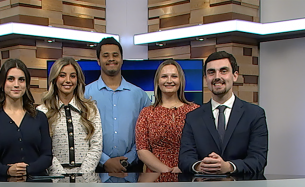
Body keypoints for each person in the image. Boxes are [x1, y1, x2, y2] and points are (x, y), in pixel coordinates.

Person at [179, 51, 268, 175]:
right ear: (205, 79)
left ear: (235, 75)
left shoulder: (255, 114)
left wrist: (228, 167)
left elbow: (258, 159)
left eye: (223, 71)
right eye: (211, 72)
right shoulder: (193, 117)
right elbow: (184, 159)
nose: (217, 77)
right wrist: (201, 166)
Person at [85, 37, 151, 173]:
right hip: (95, 168)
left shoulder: (139, 95)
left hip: (133, 168)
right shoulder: (85, 95)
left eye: (115, 55)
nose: (111, 59)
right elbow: (81, 133)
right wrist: (104, 161)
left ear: (122, 59)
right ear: (98, 60)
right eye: (105, 55)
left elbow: (147, 133)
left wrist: (129, 159)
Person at [0, 59, 52, 179]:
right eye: (11, 79)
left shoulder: (39, 117)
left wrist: (27, 169)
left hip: (37, 186)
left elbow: (47, 156)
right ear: (2, 83)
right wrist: (8, 170)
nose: (16, 84)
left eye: (21, 80)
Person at [37, 57, 102, 177]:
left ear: (78, 80)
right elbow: (43, 150)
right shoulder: (42, 111)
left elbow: (96, 145)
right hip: (55, 179)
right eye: (62, 75)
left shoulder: (90, 109)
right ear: (54, 79)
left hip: (87, 180)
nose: (68, 80)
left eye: (72, 76)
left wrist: (83, 175)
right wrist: (60, 176)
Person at [135, 59, 199, 179]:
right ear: (158, 81)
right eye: (164, 76)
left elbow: (202, 145)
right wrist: (166, 170)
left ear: (180, 80)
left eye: (174, 76)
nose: (169, 80)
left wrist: (185, 167)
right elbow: (142, 149)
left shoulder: (195, 111)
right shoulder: (147, 113)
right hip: (155, 177)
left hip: (188, 175)